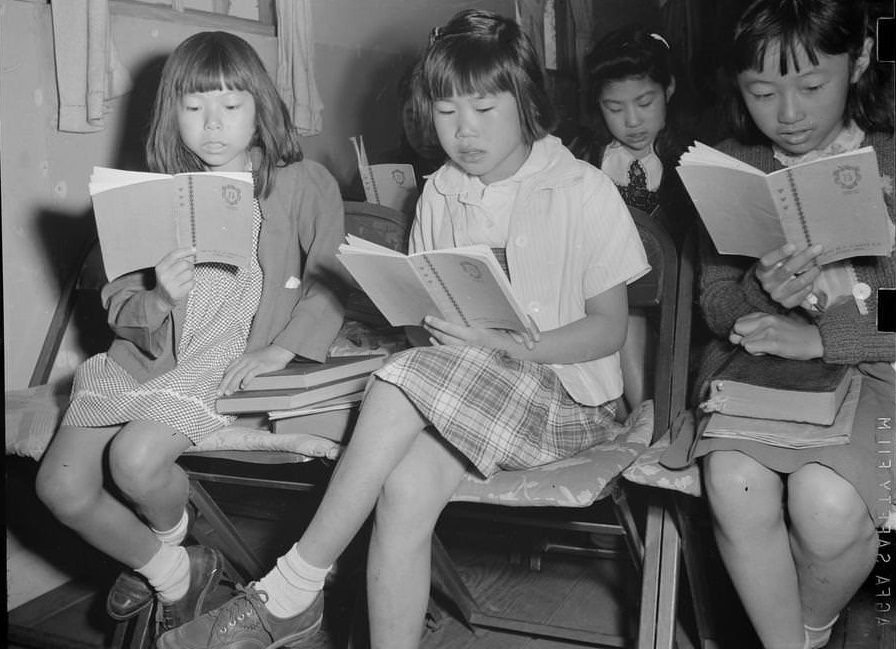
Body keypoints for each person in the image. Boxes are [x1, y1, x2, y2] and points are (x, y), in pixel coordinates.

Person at [157, 9, 649, 649]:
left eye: (483, 110)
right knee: (404, 489)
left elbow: (609, 331)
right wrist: (432, 332)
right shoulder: (440, 193)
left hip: (571, 399)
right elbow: (422, 328)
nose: (463, 132)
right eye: (446, 114)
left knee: (397, 376)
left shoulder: (583, 189)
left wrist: (507, 344)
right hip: (471, 390)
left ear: (526, 102)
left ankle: (294, 588)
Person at [35, 31, 346, 635]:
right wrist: (157, 296)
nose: (211, 126)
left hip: (224, 360)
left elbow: (336, 277)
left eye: (231, 107)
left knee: (134, 459)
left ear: (260, 109)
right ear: (170, 112)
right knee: (61, 489)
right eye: (194, 107)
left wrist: (284, 347)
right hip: (141, 361)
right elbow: (118, 301)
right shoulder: (149, 197)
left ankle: (164, 554)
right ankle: (176, 568)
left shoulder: (299, 182)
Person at [666, 2, 895, 648]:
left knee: (827, 506)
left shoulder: (890, 155)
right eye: (761, 92)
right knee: (735, 482)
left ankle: (804, 633)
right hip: (760, 375)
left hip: (879, 369)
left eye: (812, 86)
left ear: (862, 60)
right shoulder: (731, 162)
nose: (788, 115)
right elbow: (714, 303)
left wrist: (827, 336)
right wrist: (758, 290)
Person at [577, 25, 698, 409]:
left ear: (670, 90)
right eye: (614, 108)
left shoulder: (693, 158)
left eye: (645, 103)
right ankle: (637, 413)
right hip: (599, 305)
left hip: (679, 309)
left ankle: (648, 412)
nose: (632, 121)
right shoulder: (584, 160)